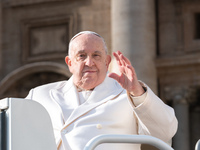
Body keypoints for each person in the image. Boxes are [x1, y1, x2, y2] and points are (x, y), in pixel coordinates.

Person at [26, 31, 178, 150]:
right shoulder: (40, 95)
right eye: (82, 56)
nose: (89, 62)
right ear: (70, 62)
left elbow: (164, 133)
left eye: (96, 56)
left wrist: (137, 91)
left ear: (107, 62)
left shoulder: (127, 94)